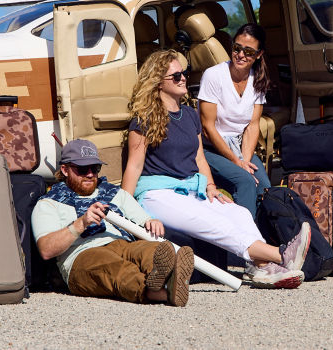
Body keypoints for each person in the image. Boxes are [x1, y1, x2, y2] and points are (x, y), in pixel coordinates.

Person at [121, 49, 310, 288]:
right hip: (157, 194)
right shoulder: (144, 120)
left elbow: (200, 159)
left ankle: (259, 268)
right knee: (213, 222)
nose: (183, 79)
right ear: (158, 82)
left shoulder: (189, 114)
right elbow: (134, 166)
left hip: (192, 189)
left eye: (184, 73)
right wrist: (126, 209)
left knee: (237, 213)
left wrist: (211, 187)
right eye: (176, 76)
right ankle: (281, 255)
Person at [32, 138, 194, 306]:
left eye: (94, 168)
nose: (89, 174)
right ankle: (161, 291)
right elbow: (46, 249)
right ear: (65, 170)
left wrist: (152, 222)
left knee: (152, 250)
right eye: (82, 169)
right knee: (112, 267)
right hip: (82, 255)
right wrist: (80, 224)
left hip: (122, 244)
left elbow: (144, 219)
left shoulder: (115, 193)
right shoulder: (48, 203)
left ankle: (165, 282)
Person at [198, 23, 271, 217]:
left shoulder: (258, 80)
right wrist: (236, 162)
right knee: (245, 181)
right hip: (211, 148)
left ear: (259, 54)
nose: (240, 55)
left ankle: (265, 237)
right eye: (237, 48)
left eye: (248, 51)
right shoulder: (213, 75)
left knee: (264, 187)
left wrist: (244, 161)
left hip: (241, 148)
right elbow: (207, 127)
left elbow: (253, 125)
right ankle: (245, 241)